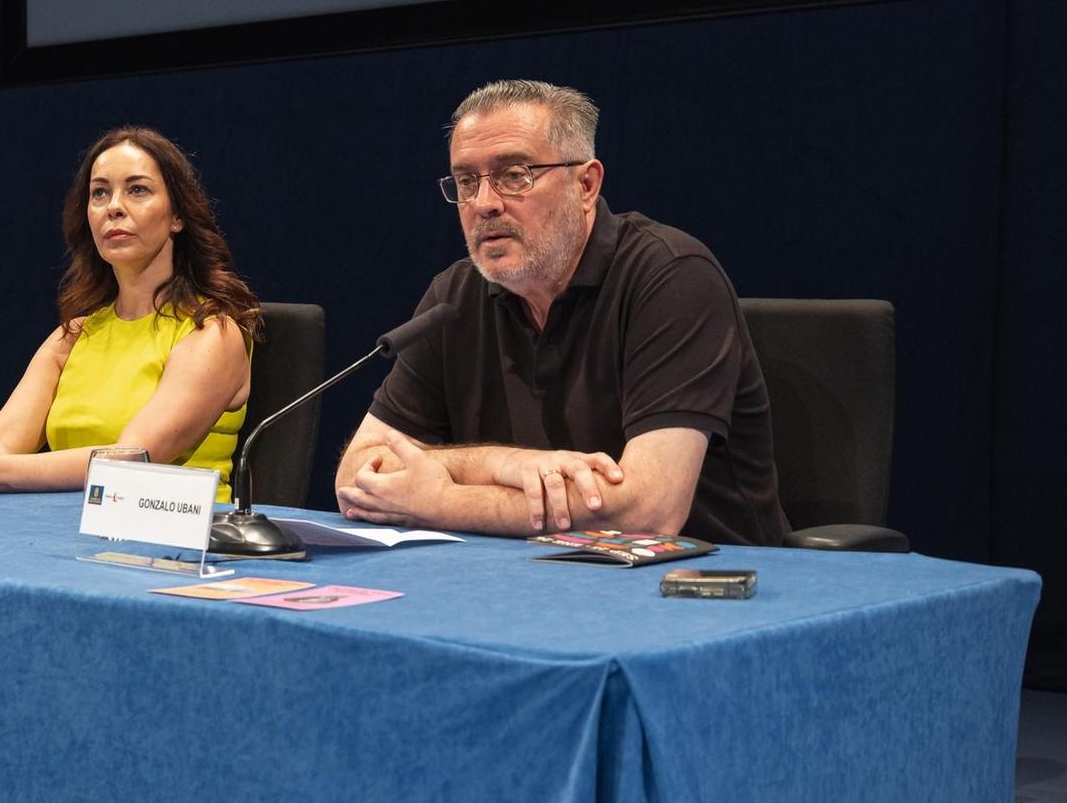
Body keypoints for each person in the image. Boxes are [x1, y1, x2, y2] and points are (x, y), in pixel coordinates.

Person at [335, 80, 787, 544]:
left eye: (515, 174)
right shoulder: (454, 296)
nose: (485, 203)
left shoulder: (672, 276)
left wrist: (441, 501)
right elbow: (357, 473)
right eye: (467, 181)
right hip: (532, 581)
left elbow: (649, 510)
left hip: (701, 589)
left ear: (586, 184)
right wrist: (503, 463)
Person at [0, 127, 260, 497]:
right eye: (100, 193)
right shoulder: (74, 335)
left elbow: (129, 461)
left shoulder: (211, 333)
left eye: (138, 190)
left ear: (178, 217)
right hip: (69, 532)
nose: (114, 206)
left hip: (181, 545)